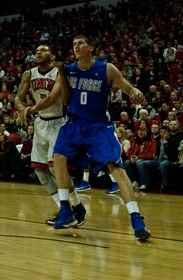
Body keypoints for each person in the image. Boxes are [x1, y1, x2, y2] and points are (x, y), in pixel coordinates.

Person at [52, 35, 151, 241]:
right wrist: (61, 72)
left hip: (99, 126)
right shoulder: (68, 70)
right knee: (58, 158)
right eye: (74, 44)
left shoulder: (107, 69)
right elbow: (65, 101)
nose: (76, 47)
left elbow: (126, 86)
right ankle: (65, 209)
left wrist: (134, 92)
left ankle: (136, 218)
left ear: (91, 47)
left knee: (116, 167)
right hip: (75, 124)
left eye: (80, 44)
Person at [15, 45, 86, 226]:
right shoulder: (28, 74)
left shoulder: (59, 72)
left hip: (58, 123)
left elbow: (52, 99)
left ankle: (78, 207)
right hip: (40, 124)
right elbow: (17, 98)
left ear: (52, 55)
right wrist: (22, 109)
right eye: (36, 50)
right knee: (40, 171)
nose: (38, 52)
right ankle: (65, 211)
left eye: (43, 50)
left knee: (56, 168)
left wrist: (30, 109)